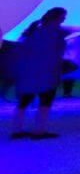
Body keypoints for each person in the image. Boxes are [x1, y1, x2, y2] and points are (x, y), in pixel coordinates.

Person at [10, 8, 68, 139]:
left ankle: (16, 130)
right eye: (63, 17)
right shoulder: (56, 34)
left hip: (27, 73)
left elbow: (20, 52)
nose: (64, 20)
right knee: (45, 102)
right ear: (57, 19)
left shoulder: (31, 32)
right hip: (46, 73)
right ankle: (39, 130)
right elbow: (56, 55)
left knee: (23, 103)